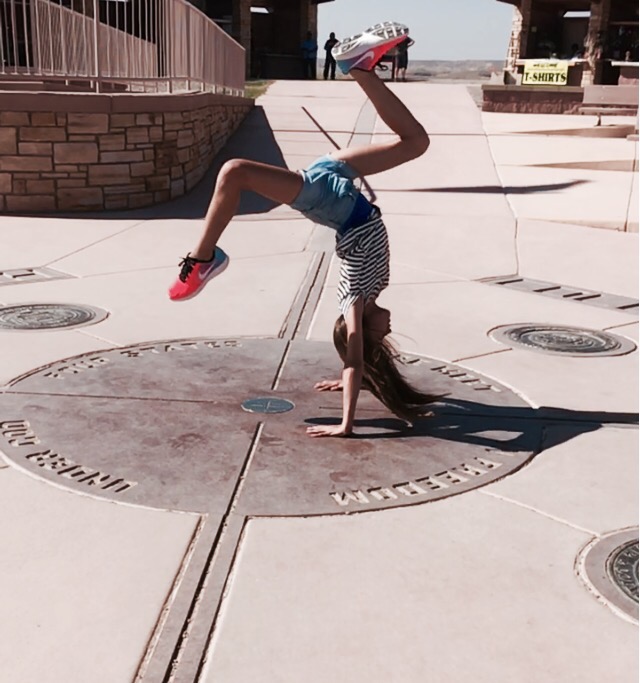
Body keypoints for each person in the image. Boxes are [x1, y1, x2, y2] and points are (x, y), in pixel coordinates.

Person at [168, 21, 438, 437]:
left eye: (380, 335)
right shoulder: (375, 290)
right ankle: (360, 67)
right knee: (416, 142)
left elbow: (354, 359)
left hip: (330, 201)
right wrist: (355, 376)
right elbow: (356, 362)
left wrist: (345, 424)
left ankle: (202, 258)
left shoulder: (354, 302)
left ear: (363, 332)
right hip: (338, 176)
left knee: (234, 172)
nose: (388, 330)